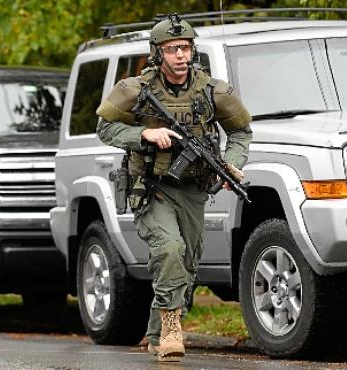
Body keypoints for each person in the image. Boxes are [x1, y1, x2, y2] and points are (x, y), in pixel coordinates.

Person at [96, 14, 252, 362]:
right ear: (158, 53)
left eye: (186, 48)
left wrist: (231, 164)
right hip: (151, 187)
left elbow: (241, 132)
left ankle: (155, 334)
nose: (181, 55)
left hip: (194, 188)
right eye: (173, 49)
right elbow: (105, 128)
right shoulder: (135, 89)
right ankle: (170, 327)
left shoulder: (213, 90)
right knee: (169, 249)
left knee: (187, 260)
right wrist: (143, 135)